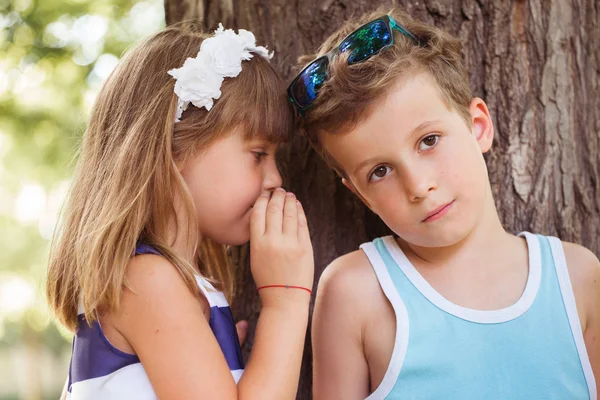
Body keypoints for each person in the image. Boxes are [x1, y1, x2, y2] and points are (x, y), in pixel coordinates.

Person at [287, 8, 600, 399]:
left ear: (478, 127)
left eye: (429, 140)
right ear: (359, 194)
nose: (418, 186)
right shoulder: (355, 293)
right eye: (380, 171)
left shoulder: (578, 279)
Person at [47, 21, 314, 399]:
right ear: (174, 151)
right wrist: (285, 301)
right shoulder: (145, 280)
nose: (275, 178)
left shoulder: (168, 285)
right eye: (258, 154)